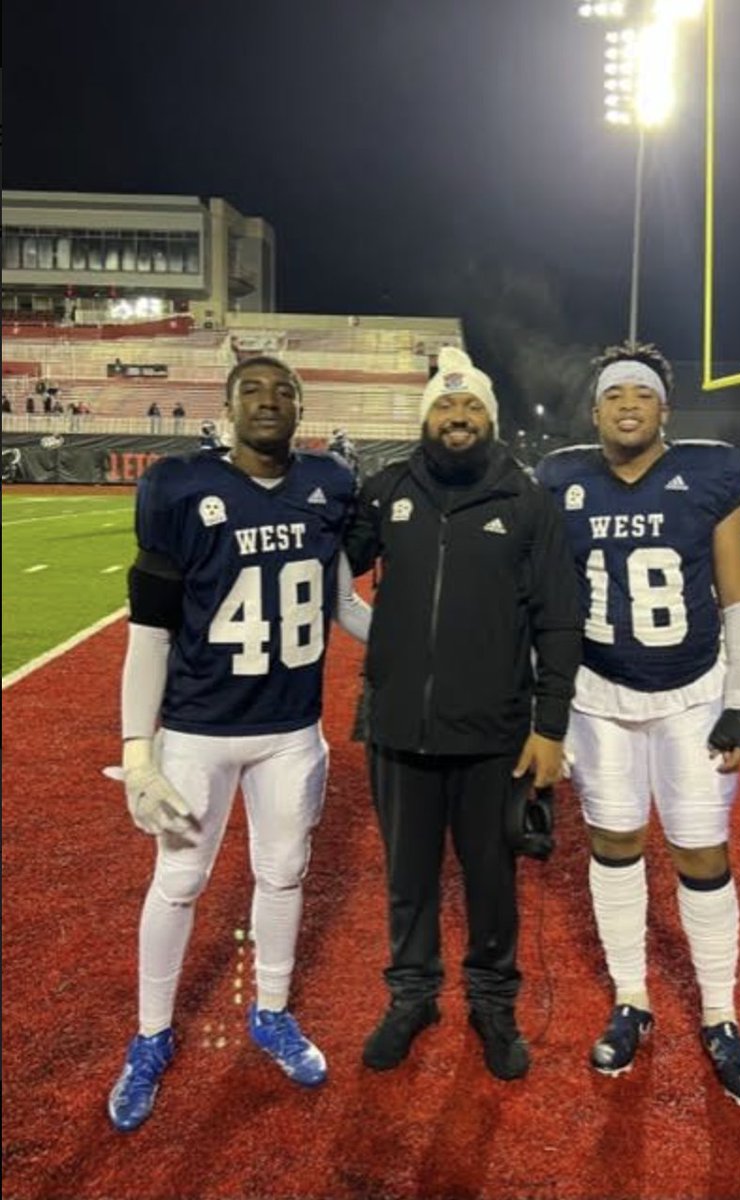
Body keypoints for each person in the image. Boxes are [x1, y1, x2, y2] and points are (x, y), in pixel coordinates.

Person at [107, 355, 371, 1132]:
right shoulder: (182, 487)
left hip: (290, 730)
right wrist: (135, 748)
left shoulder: (327, 487)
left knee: (284, 873)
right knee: (181, 879)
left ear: (300, 407)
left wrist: (438, 650)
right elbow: (150, 632)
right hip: (197, 729)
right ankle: (151, 1035)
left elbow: (345, 607)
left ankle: (273, 1011)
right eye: (252, 389)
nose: (269, 401)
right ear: (227, 407)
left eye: (283, 390)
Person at [536, 341, 740, 1107]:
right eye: (614, 395)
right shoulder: (562, 477)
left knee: (701, 851)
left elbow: (738, 595)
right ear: (595, 409)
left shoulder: (709, 472)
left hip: (692, 692)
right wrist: (548, 706)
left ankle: (720, 1012)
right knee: (613, 844)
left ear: (663, 407)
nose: (628, 403)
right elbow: (546, 602)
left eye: (642, 392)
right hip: (601, 695)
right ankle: (632, 997)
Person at [344, 346, 581, 1081]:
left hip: (495, 735)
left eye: (472, 406)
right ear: (426, 418)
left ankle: (491, 1000)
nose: (457, 418)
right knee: (407, 880)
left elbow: (559, 621)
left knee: (491, 879)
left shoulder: (526, 500)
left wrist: (550, 728)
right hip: (398, 730)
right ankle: (412, 996)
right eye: (445, 407)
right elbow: (324, 562)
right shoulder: (387, 490)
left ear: (491, 418)